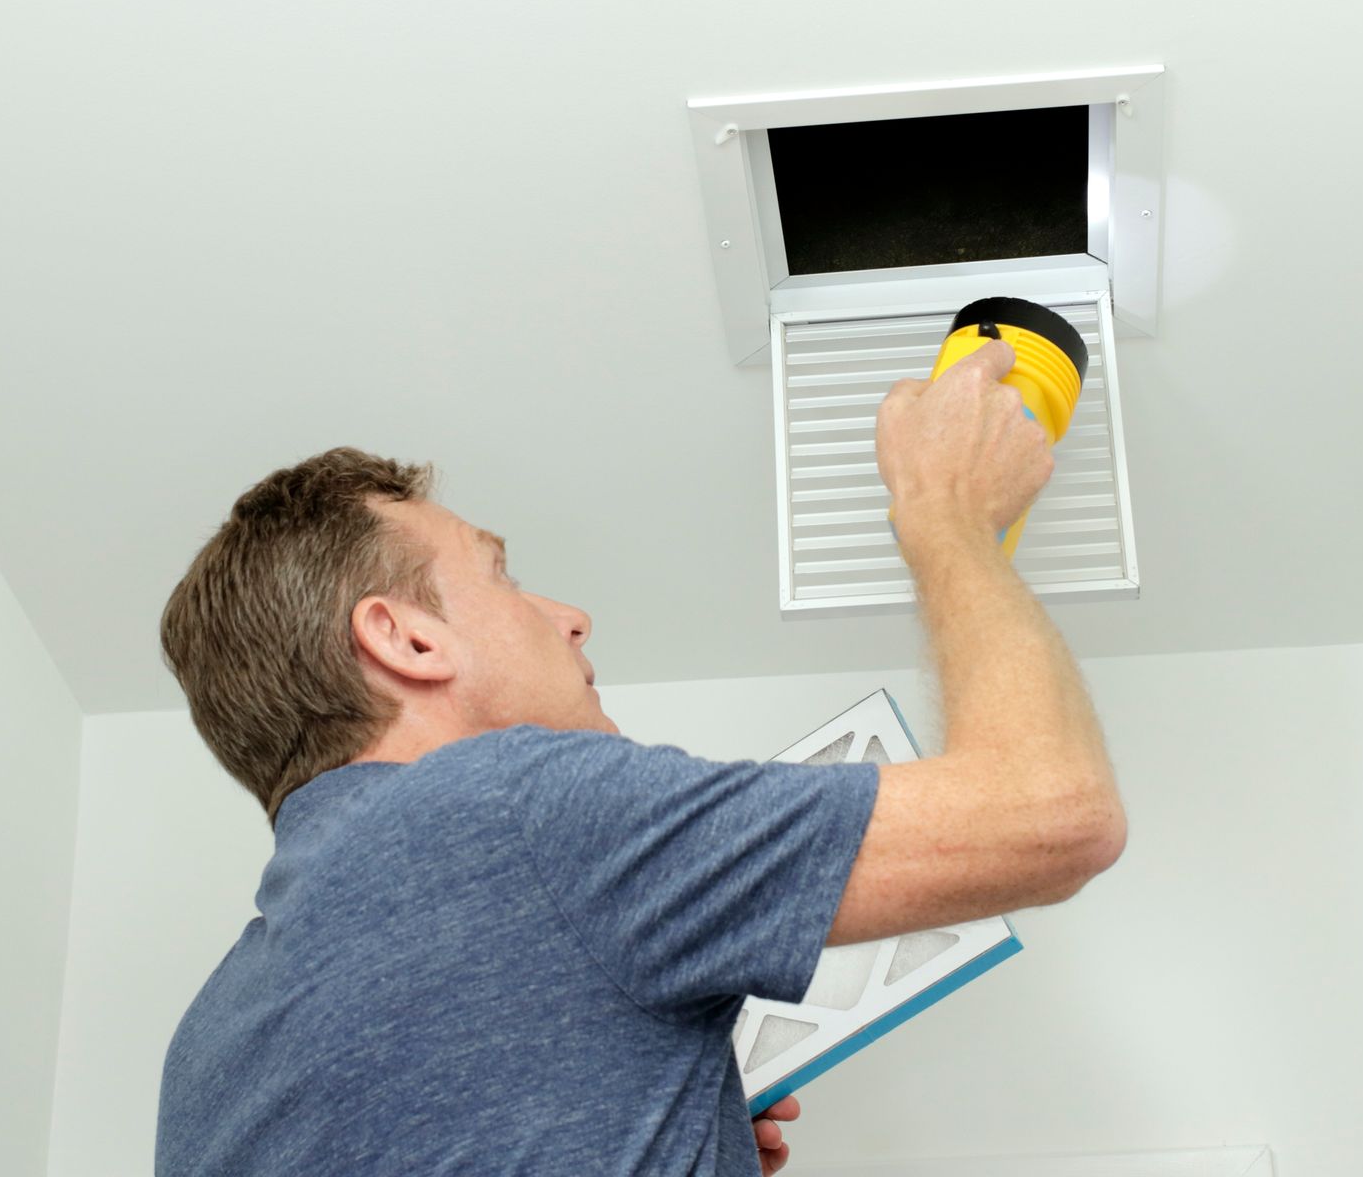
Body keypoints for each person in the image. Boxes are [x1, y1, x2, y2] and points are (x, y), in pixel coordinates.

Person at [153, 338, 1127, 1175]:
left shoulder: (205, 1049)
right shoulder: (510, 810)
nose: (569, 617)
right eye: (504, 574)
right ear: (406, 639)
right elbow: (1055, 809)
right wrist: (946, 510)